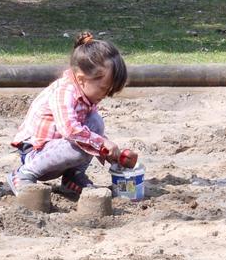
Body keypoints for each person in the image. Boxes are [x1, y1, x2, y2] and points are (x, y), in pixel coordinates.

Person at [8, 31, 133, 194]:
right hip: (36, 154)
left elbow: (89, 132)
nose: (105, 95)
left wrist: (108, 152)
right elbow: (71, 130)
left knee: (95, 122)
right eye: (103, 88)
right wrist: (101, 143)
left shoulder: (86, 95)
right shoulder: (64, 91)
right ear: (81, 79)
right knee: (84, 144)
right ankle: (23, 175)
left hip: (59, 151)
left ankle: (73, 176)